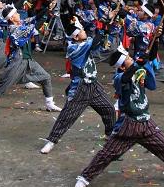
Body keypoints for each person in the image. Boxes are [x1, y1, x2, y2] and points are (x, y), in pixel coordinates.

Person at [74, 48, 164, 187]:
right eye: (128, 58)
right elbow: (126, 78)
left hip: (146, 122)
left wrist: (149, 55)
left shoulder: (139, 72)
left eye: (130, 57)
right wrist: (137, 65)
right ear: (121, 66)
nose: (131, 58)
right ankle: (84, 178)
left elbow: (152, 85)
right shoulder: (119, 78)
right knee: (107, 154)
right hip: (129, 125)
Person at [40, 24, 116, 154]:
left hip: (94, 85)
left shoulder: (86, 42)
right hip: (80, 87)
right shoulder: (73, 48)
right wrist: (104, 24)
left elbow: (100, 43)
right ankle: (51, 141)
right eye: (81, 31)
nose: (84, 31)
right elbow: (94, 43)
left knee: (109, 109)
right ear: (75, 37)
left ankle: (110, 134)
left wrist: (108, 28)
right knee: (67, 116)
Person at [0, 3, 61, 118]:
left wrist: (47, 8)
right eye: (16, 13)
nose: (18, 14)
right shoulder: (14, 29)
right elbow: (34, 26)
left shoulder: (22, 23)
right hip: (17, 62)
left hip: (28, 60)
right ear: (12, 18)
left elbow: (36, 18)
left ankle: (49, 104)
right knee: (2, 87)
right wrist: (46, 18)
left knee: (46, 77)